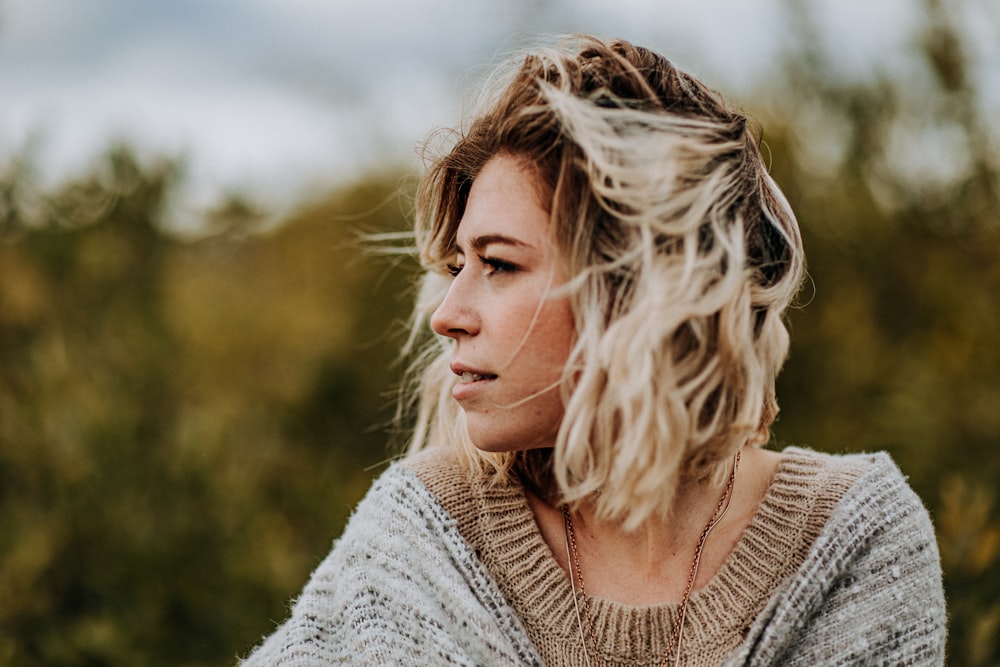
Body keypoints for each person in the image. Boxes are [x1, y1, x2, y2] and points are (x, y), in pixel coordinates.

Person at [241, 35, 946, 666]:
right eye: (458, 267)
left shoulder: (851, 543)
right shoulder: (422, 537)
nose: (447, 316)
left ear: (638, 283)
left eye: (500, 264)